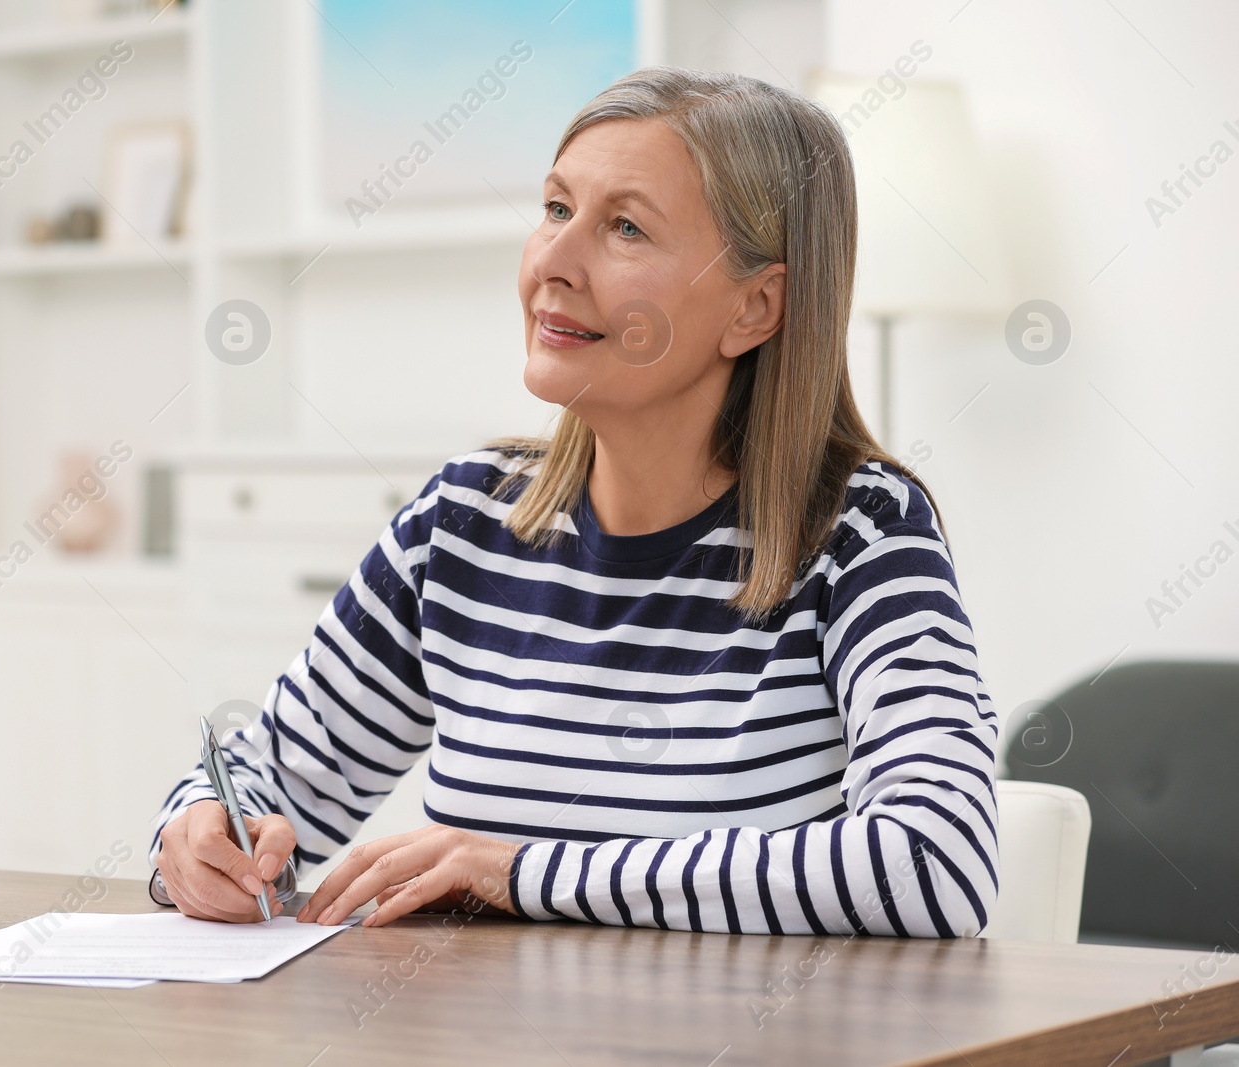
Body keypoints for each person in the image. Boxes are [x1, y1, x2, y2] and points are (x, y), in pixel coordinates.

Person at [149, 67, 998, 937]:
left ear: (755, 307)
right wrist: (196, 838)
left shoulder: (860, 534)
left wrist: (522, 872)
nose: (554, 263)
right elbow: (257, 781)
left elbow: (937, 859)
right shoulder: (461, 524)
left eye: (625, 228)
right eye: (556, 210)